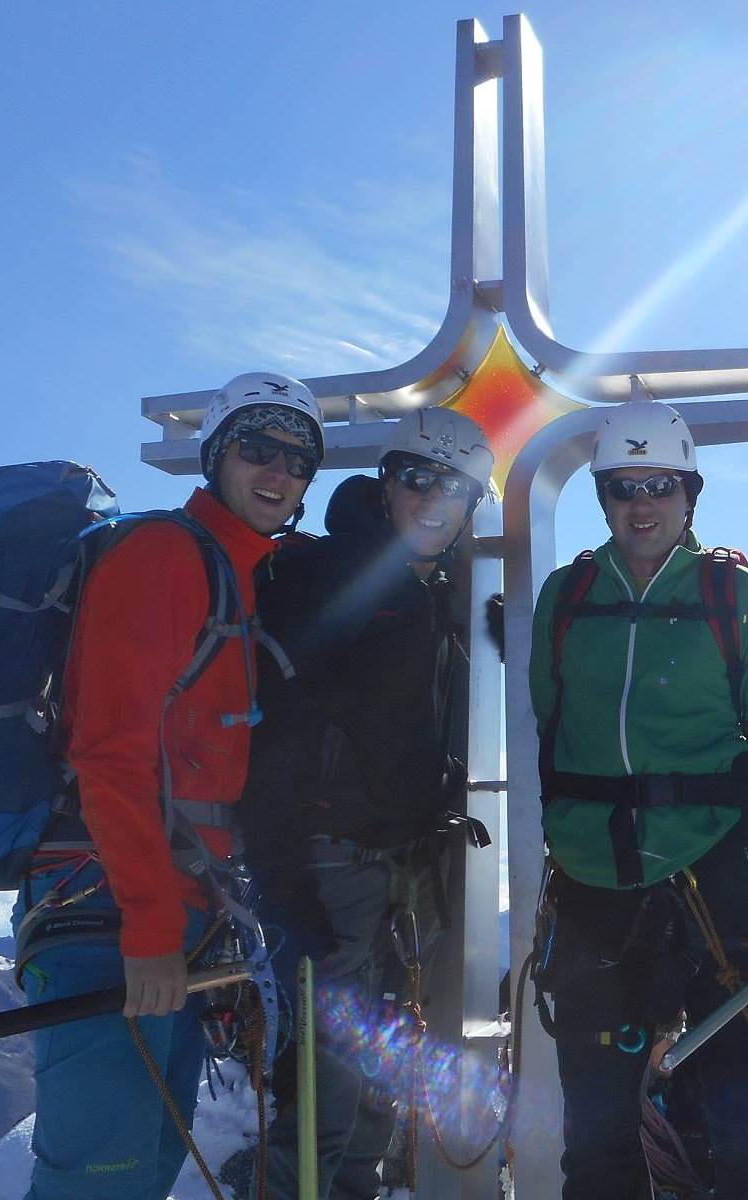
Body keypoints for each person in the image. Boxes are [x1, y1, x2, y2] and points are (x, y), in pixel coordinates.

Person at [10, 372, 323, 1200]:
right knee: (98, 1181)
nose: (279, 471)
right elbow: (109, 751)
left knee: (143, 1168)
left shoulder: (235, 571)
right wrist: (150, 921)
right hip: (110, 908)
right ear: (216, 455)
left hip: (175, 908)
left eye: (298, 461)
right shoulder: (163, 556)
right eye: (257, 448)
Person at [527, 399, 748, 1200]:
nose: (642, 504)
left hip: (714, 876)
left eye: (661, 484)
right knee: (597, 1134)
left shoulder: (736, 597)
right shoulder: (566, 597)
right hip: (592, 882)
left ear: (690, 493)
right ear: (602, 497)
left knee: (745, 1116)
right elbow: (543, 728)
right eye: (622, 487)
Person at [241, 407, 494, 1200]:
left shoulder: (430, 590)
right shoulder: (328, 578)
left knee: (381, 1078)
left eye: (454, 487)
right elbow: (272, 734)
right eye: (416, 478)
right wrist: (284, 883)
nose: (433, 499)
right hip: (333, 869)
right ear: (385, 485)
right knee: (324, 1090)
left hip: (406, 869)